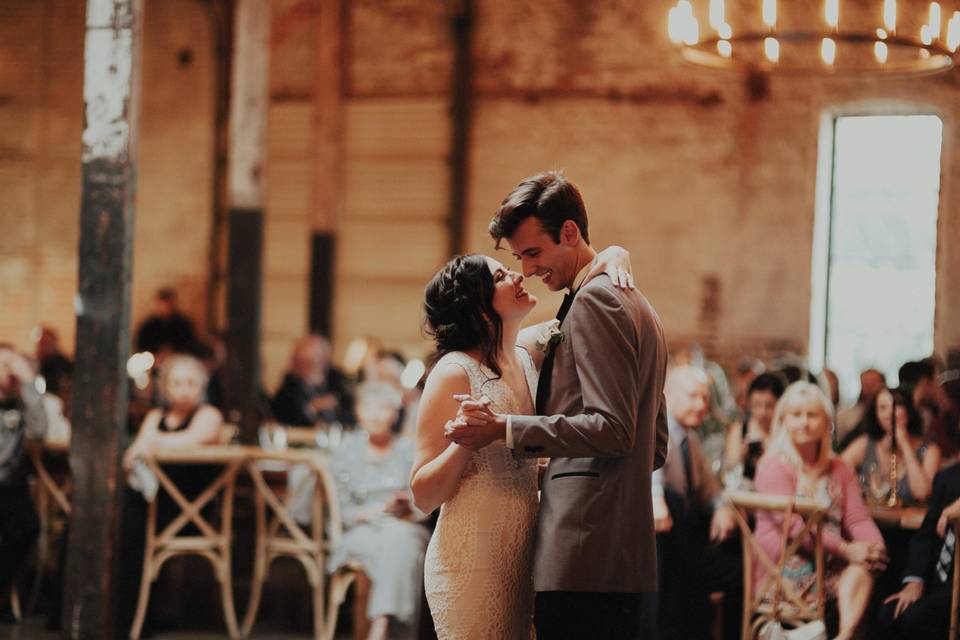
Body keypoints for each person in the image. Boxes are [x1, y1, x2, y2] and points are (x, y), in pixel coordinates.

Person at [436, 170, 668, 639]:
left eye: (533, 253)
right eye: (519, 258)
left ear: (569, 232)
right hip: (620, 552)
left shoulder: (596, 302)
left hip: (582, 548)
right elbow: (654, 444)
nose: (527, 270)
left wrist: (507, 428)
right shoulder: (632, 300)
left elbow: (614, 429)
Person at [755, 382, 887, 640]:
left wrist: (873, 546)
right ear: (784, 420)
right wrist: (847, 549)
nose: (804, 422)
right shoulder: (772, 465)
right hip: (784, 566)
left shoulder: (840, 467)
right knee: (858, 564)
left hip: (830, 563)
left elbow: (856, 517)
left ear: (827, 422)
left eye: (812, 415)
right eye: (796, 415)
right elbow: (793, 528)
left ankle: (844, 635)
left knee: (865, 564)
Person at [119, 354, 224, 633]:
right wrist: (142, 447)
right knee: (120, 513)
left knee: (129, 517)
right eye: (177, 383)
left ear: (201, 386)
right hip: (154, 503)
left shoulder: (209, 416)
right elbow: (132, 454)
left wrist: (148, 443)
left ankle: (132, 619)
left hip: (191, 510)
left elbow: (189, 441)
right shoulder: (156, 417)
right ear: (165, 387)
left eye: (191, 383)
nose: (184, 389)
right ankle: (128, 613)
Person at [329, 382, 430, 640]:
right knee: (403, 546)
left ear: (395, 414)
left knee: (402, 539)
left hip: (403, 526)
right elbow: (337, 510)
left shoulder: (409, 451)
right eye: (369, 407)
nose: (375, 414)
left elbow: (425, 503)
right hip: (362, 531)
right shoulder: (345, 450)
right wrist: (372, 513)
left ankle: (380, 623)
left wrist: (406, 505)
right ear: (358, 411)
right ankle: (385, 626)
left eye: (384, 408)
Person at [653, 365, 741, 640]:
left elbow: (708, 486)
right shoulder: (658, 432)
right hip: (663, 546)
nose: (701, 405)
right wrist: (656, 498)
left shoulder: (689, 439)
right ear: (667, 395)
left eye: (705, 398)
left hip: (685, 545)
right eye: (693, 397)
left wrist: (721, 508)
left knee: (738, 565)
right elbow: (651, 473)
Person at [877, 375, 960, 638]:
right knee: (889, 613)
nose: (932, 422)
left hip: (956, 587)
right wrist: (914, 580)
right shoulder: (949, 477)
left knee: (916, 620)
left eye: (939, 413)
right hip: (936, 581)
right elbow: (924, 537)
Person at [0, 346, 47, 624]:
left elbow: (40, 431)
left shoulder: (22, 402)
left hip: (8, 485)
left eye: (11, 364)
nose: (8, 370)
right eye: (2, 364)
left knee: (27, 527)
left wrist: (28, 385)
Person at [841, 387, 941, 505]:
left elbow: (922, 494)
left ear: (908, 411)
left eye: (897, 406)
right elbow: (836, 471)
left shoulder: (930, 450)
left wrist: (904, 444)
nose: (890, 413)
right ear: (876, 415)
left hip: (909, 522)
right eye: (883, 408)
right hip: (870, 519)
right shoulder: (865, 444)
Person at [271, 334, 354, 426]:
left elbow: (350, 415)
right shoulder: (289, 388)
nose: (312, 367)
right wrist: (311, 408)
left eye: (316, 360)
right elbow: (284, 416)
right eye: (304, 361)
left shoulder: (337, 382)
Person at [134, 288, 198, 357]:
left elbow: (190, 346)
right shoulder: (148, 326)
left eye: (169, 305)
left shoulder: (183, 324)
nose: (165, 308)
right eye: (162, 305)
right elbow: (141, 348)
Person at [836, 368, 885, 444]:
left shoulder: (890, 415)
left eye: (873, 382)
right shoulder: (845, 416)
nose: (869, 387)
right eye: (865, 383)